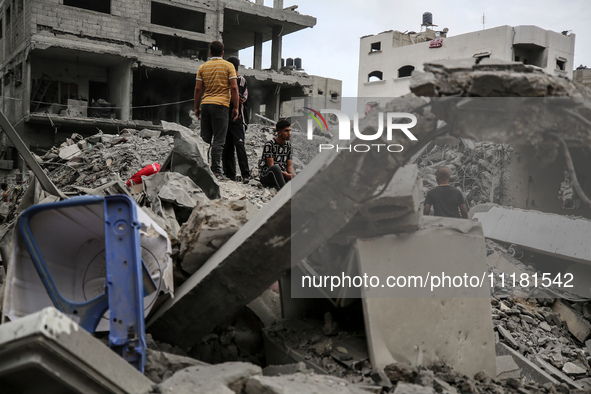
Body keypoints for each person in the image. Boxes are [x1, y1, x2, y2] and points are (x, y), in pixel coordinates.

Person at [194, 41, 239, 179]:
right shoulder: (229, 66)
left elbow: (198, 89)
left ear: (210, 52)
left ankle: (202, 168)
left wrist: (196, 107)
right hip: (221, 106)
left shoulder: (203, 67)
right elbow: (234, 88)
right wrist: (236, 107)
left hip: (206, 105)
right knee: (219, 140)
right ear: (223, 53)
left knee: (205, 139)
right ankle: (216, 171)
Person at [222, 57, 251, 183]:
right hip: (226, 118)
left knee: (240, 146)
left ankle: (246, 174)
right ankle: (230, 174)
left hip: (238, 119)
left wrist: (230, 97)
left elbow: (239, 98)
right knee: (227, 147)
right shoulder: (227, 81)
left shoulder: (240, 80)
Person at [258, 119, 295, 190]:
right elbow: (271, 166)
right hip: (268, 175)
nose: (289, 133)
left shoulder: (289, 146)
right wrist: (287, 175)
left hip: (282, 174)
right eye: (286, 131)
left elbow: (289, 166)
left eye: (290, 130)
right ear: (279, 132)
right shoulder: (270, 145)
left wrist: (293, 175)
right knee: (276, 168)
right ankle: (285, 193)